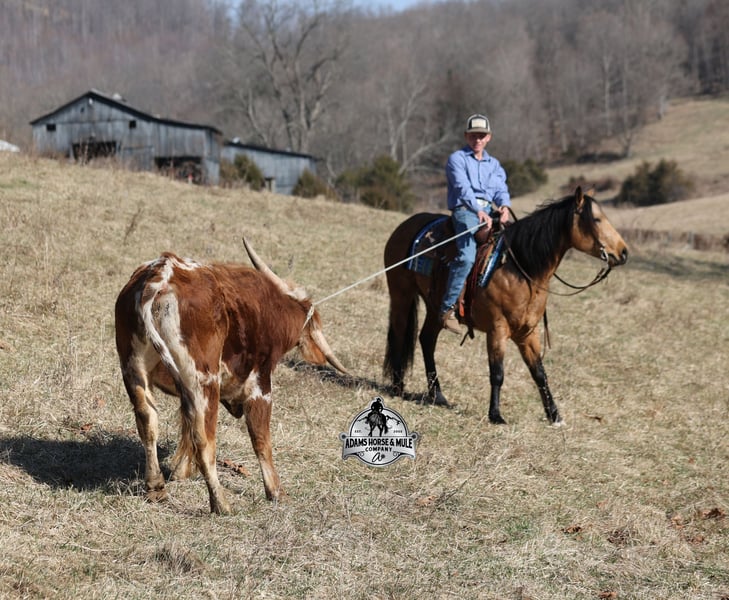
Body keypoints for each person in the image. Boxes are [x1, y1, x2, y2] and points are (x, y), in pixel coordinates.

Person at [440, 113, 511, 334]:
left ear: (488, 137)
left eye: (481, 136)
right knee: (467, 257)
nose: (477, 140)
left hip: (489, 211)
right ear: (466, 136)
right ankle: (447, 309)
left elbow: (500, 189)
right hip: (465, 210)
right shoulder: (457, 159)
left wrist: (504, 206)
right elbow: (462, 188)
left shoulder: (494, 164)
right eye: (473, 136)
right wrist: (477, 210)